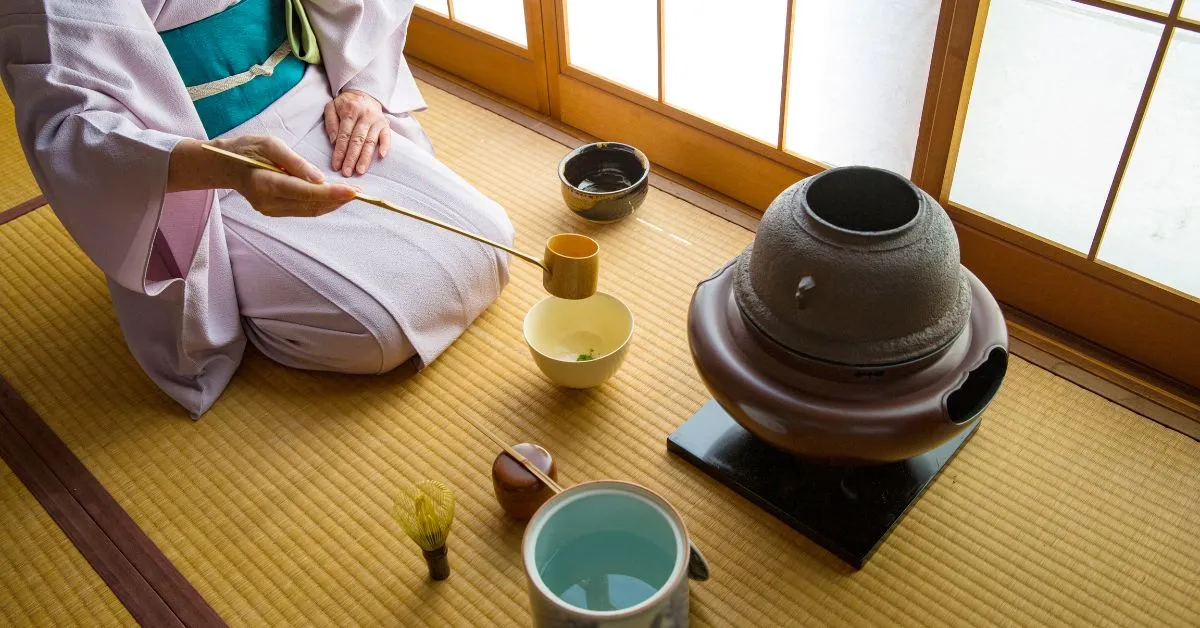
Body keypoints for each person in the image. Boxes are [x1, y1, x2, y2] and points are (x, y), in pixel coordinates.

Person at [0, 0, 514, 417]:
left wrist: (363, 92)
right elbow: (71, 129)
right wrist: (223, 167)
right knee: (373, 329)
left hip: (316, 101)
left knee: (492, 239)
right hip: (192, 157)